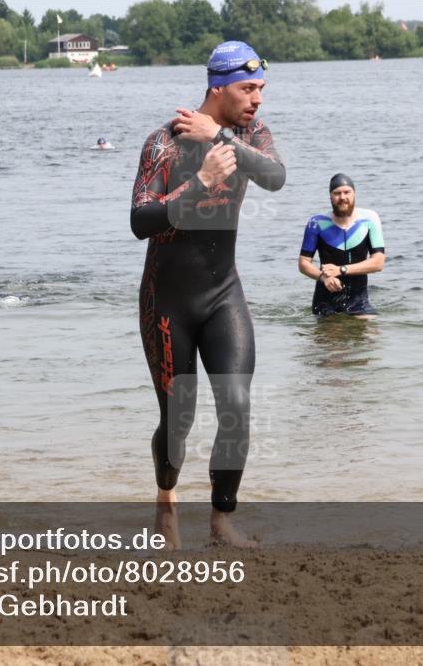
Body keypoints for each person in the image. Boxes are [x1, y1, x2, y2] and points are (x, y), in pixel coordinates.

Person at [130, 41, 285, 550]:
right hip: (167, 302)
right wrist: (200, 181)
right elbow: (140, 221)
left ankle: (221, 523)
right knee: (179, 419)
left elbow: (275, 177)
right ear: (218, 89)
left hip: (223, 295)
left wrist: (219, 136)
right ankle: (166, 504)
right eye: (248, 88)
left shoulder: (248, 134)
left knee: (237, 405)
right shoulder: (164, 143)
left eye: (261, 88)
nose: (257, 99)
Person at [298, 173, 385, 318]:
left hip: (358, 300)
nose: (342, 197)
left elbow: (378, 263)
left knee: (370, 328)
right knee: (331, 330)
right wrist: (323, 277)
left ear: (354, 194)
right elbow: (303, 263)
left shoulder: (369, 219)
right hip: (325, 300)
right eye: (337, 193)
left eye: (347, 192)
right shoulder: (317, 223)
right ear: (330, 197)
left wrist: (341, 270)